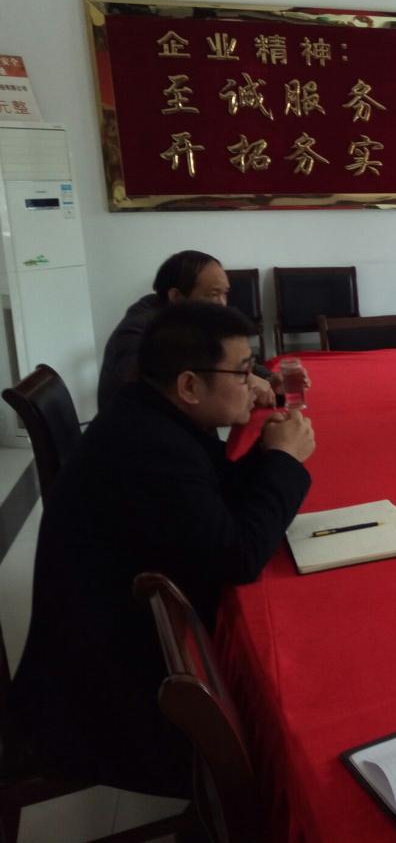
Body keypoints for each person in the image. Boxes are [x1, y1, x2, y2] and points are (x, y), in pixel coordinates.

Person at [7, 302, 315, 797]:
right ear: (189, 385)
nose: (253, 383)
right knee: (292, 745)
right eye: (242, 372)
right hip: (104, 701)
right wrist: (282, 462)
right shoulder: (150, 448)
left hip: (113, 644)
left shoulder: (151, 414)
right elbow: (237, 556)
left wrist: (266, 453)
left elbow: (214, 494)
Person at [97, 250, 280, 411]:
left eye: (225, 294)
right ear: (176, 297)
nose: (222, 304)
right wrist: (245, 378)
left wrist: (269, 378)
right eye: (214, 294)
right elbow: (153, 381)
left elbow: (227, 355)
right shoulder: (138, 330)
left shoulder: (192, 319)